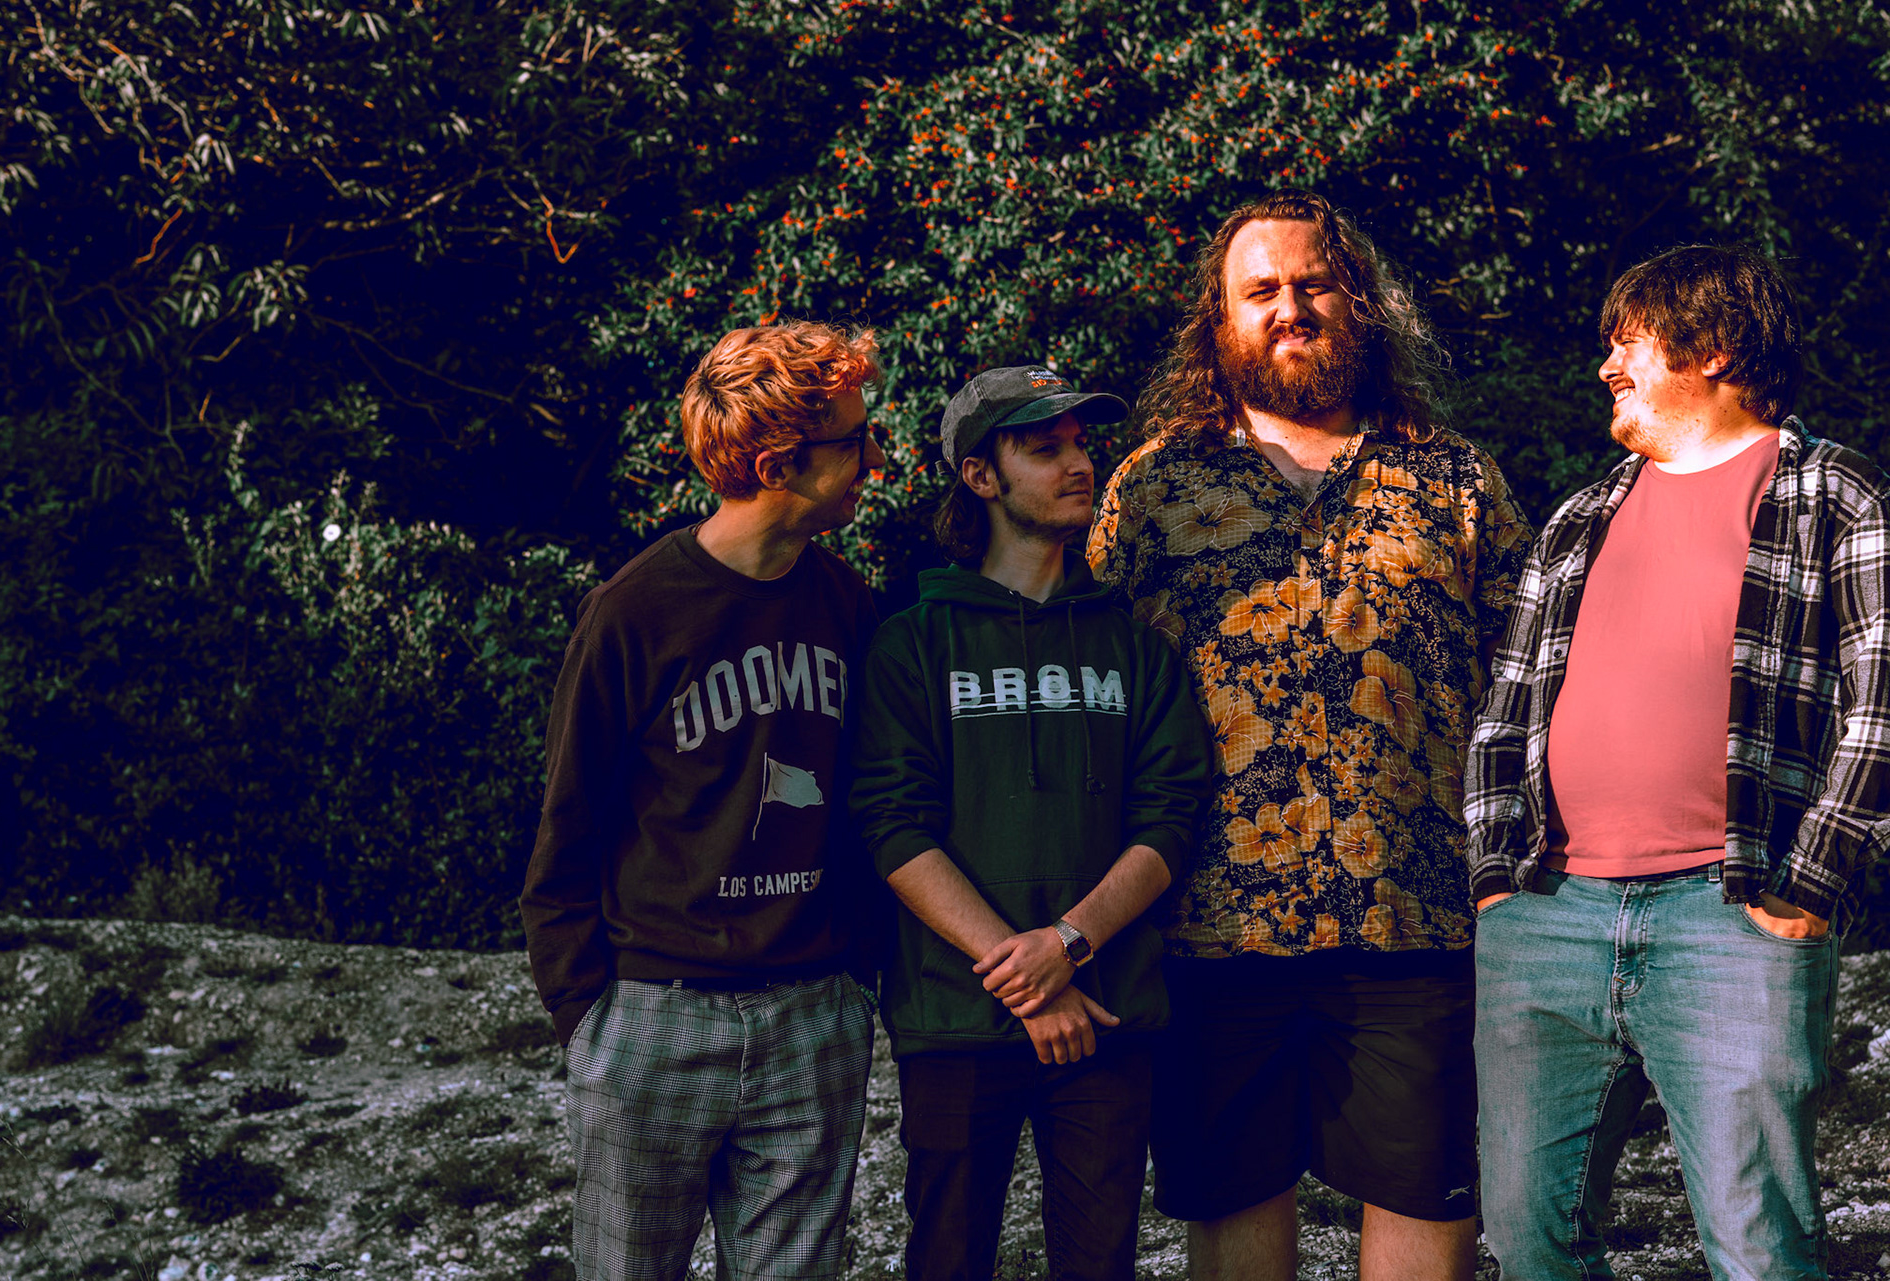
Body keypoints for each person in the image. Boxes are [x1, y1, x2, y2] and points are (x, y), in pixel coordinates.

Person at [1088, 189, 1534, 1281]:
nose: (1289, 306)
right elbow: (1094, 690)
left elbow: (1533, 688)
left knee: (1428, 1195)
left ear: (1359, 303)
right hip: (1211, 921)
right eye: (1261, 290)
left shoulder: (1453, 478)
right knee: (1235, 1200)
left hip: (1417, 918)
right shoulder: (1154, 486)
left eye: (1313, 283)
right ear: (1220, 320)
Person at [1465, 245, 1890, 1280]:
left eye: (1631, 342)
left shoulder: (1833, 493)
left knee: (1758, 1247)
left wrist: (1809, 888)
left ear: (1717, 347)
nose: (1606, 365)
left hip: (1732, 915)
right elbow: (1504, 713)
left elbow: (1882, 702)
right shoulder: (1579, 517)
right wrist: (1494, 884)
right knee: (1528, 1242)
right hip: (1546, 915)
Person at [520, 320, 889, 1281]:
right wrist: (588, 1021)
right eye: (855, 441)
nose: (874, 462)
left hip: (813, 1011)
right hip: (655, 1017)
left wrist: (853, 980)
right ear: (776, 465)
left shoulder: (847, 604)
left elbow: (869, 802)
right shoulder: (634, 611)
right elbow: (569, 826)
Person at [850, 365, 1211, 1281]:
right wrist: (1031, 980)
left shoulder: (1135, 647)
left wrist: (1070, 944)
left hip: (1107, 1011)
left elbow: (1170, 818)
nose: (1077, 464)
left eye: (1081, 443)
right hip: (955, 1016)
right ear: (980, 476)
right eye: (1044, 448)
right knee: (947, 1259)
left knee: (1099, 1265)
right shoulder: (912, 643)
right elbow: (894, 825)